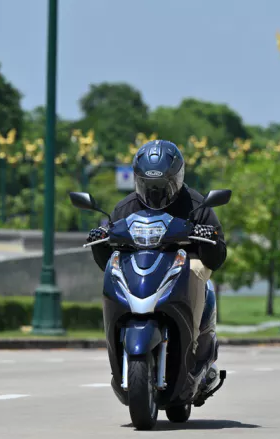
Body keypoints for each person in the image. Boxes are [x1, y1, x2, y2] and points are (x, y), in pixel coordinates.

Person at [87, 139, 226, 391]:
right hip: (141, 268)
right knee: (114, 268)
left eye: (163, 185)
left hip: (184, 265)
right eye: (147, 185)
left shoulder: (198, 205)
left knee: (196, 269)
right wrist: (100, 239)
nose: (155, 192)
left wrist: (209, 237)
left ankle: (195, 344)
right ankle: (116, 338)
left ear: (178, 178)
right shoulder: (125, 207)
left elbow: (217, 256)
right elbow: (107, 255)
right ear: (137, 180)